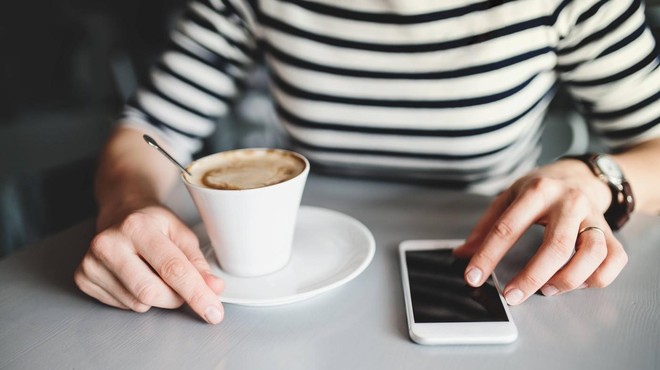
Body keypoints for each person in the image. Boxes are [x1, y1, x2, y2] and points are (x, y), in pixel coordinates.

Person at [74, 0, 660, 325]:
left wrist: (599, 178)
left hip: (493, 268)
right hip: (302, 294)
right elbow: (149, 128)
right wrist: (131, 203)